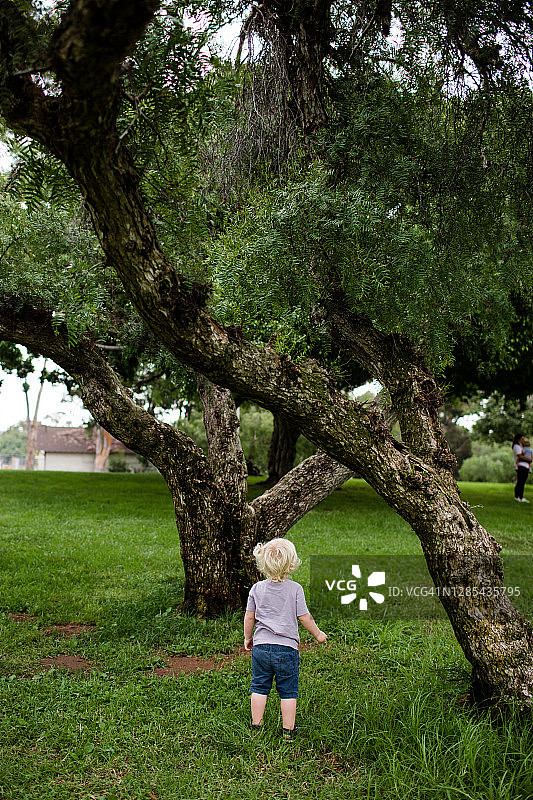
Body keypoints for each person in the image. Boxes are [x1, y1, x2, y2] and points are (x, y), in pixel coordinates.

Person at [244, 538, 327, 739]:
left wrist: (248, 637)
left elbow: (249, 616)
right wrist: (318, 634)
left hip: (261, 648)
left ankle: (256, 725)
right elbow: (304, 616)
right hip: (286, 650)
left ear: (263, 562)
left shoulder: (256, 588)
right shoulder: (295, 589)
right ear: (291, 564)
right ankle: (288, 731)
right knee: (288, 690)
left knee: (259, 686)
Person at [512, 433, 531, 503]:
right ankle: (519, 497)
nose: (523, 440)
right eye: (522, 439)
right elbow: (519, 456)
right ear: (518, 439)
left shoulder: (521, 446)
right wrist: (529, 460)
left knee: (521, 482)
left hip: (525, 466)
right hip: (521, 466)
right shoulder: (517, 446)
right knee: (521, 482)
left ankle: (519, 497)